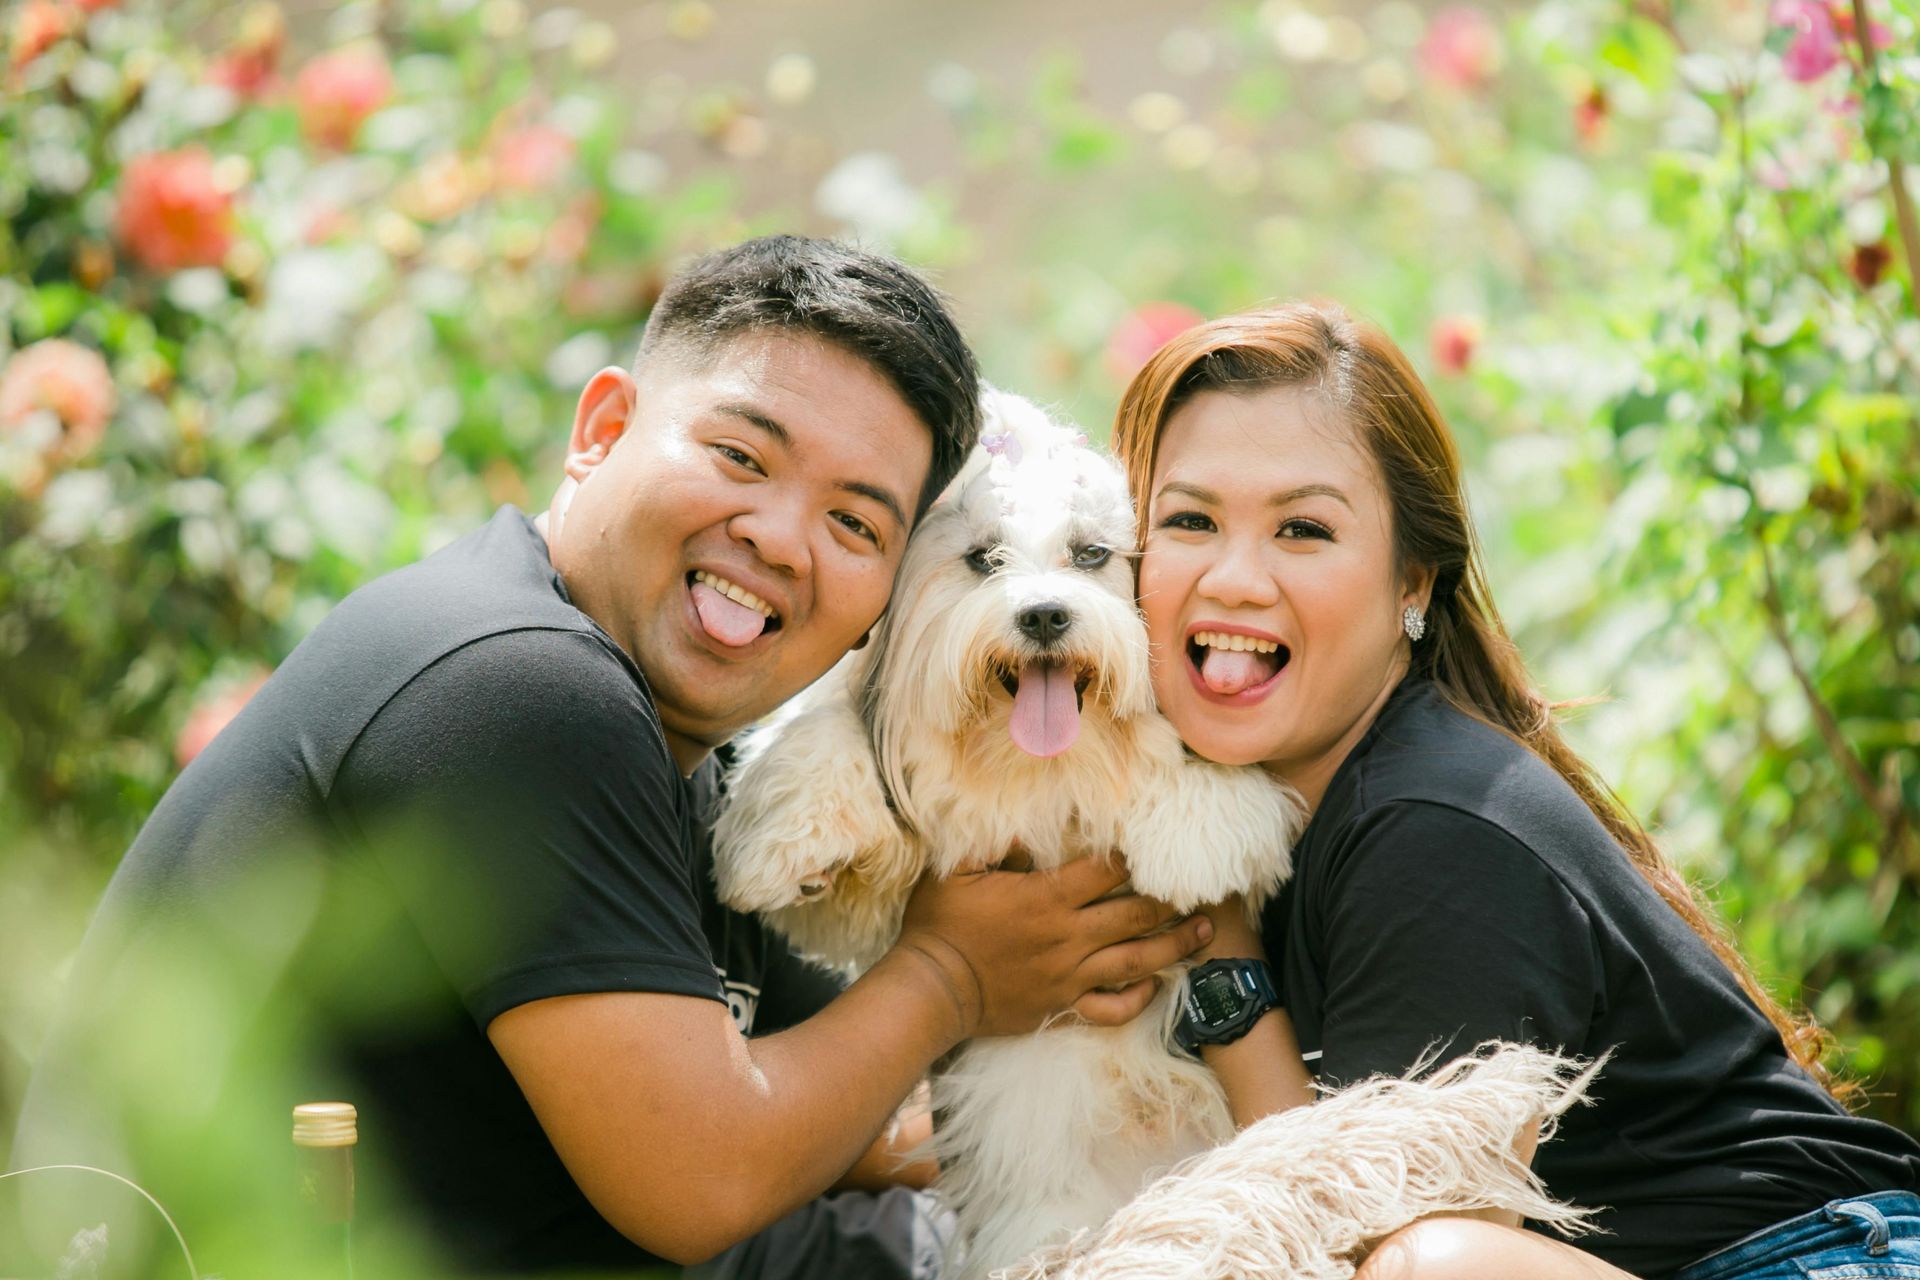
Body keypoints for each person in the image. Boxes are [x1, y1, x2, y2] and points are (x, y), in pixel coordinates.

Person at [7, 237, 1214, 1277]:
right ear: (602, 430)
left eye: (855, 522)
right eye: (743, 456)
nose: (781, 538)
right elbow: (703, 1170)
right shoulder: (515, 681)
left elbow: (830, 1102)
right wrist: (955, 970)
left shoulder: (668, 750)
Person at [1111, 301, 1920, 1280]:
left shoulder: (1431, 825)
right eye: (1190, 519)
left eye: (1303, 528)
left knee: (1430, 1264)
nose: (1236, 577)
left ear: (1412, 583)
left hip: (1808, 1262)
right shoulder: (1259, 810)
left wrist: (1219, 954)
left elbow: (1336, 1248)